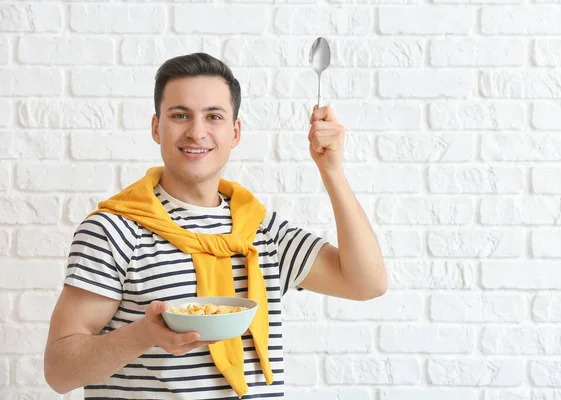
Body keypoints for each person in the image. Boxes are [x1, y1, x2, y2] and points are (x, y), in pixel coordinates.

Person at [43, 52, 387, 399]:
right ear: (156, 127)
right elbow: (59, 371)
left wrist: (332, 171)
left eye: (214, 116)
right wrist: (142, 335)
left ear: (234, 132)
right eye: (180, 115)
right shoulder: (114, 231)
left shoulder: (261, 232)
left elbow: (367, 283)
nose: (196, 132)